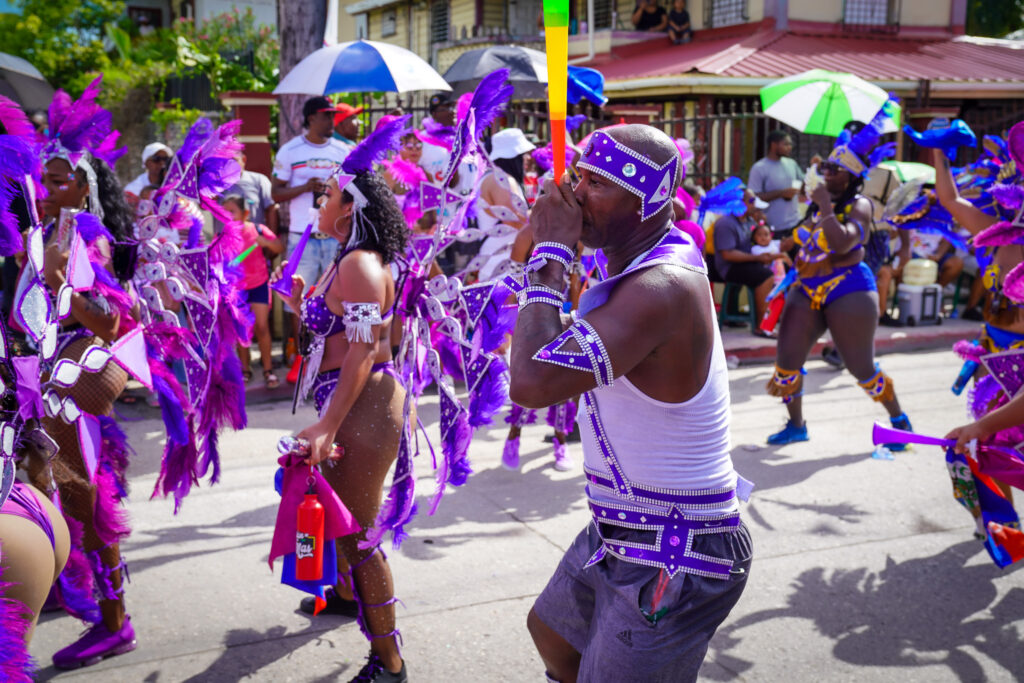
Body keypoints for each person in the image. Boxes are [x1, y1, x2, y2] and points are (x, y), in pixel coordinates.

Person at [508, 124, 751, 683]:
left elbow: (531, 382)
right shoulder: (637, 258)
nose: (573, 195)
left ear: (646, 202)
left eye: (596, 184)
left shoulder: (659, 286)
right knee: (554, 637)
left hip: (679, 547)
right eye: (576, 178)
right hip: (625, 525)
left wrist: (551, 252)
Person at [271, 143, 409, 683]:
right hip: (350, 399)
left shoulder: (358, 263)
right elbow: (336, 336)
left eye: (326, 195)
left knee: (358, 533)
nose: (318, 203)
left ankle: (390, 662)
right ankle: (350, 599)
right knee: (339, 522)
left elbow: (365, 350)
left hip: (362, 404)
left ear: (349, 206)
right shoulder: (344, 260)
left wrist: (328, 424)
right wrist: (300, 301)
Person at [31, 81, 142, 667]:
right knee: (52, 489)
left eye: (58, 180)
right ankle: (66, 586)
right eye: (43, 179)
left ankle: (115, 623)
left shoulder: (85, 237)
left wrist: (62, 290)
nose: (46, 189)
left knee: (86, 499)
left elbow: (111, 318)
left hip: (78, 384)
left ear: (83, 185)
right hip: (50, 381)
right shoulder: (53, 233)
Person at [766, 99, 912, 446]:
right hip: (807, 285)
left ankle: (900, 423)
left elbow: (846, 243)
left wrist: (828, 208)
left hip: (850, 290)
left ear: (851, 176)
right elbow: (806, 237)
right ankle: (796, 426)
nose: (827, 173)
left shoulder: (859, 205)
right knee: (787, 360)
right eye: (827, 167)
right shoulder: (818, 205)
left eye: (835, 170)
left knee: (861, 367)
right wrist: (788, 243)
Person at [271, 96, 351, 374]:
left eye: (333, 115)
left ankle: (332, 353)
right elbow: (275, 192)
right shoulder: (290, 151)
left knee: (335, 297)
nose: (332, 120)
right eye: (326, 115)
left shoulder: (343, 150)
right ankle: (302, 356)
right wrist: (305, 187)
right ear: (310, 119)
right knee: (297, 297)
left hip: (335, 237)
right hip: (301, 238)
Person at [222, 194, 283, 389]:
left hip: (258, 285)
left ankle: (268, 370)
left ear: (245, 213)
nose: (228, 215)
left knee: (262, 328)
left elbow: (279, 246)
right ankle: (245, 370)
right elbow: (216, 260)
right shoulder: (222, 235)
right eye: (225, 212)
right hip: (236, 289)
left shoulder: (258, 230)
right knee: (242, 331)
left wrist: (266, 242)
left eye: (232, 211)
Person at [713, 188, 783, 327]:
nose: (754, 204)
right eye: (751, 200)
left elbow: (758, 242)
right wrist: (757, 258)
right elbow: (727, 254)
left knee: (781, 268)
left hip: (745, 264)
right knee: (765, 275)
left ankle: (774, 317)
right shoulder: (726, 223)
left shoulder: (749, 221)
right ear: (739, 202)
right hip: (729, 268)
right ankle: (762, 325)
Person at [748, 130, 804, 234]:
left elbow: (804, 184)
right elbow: (753, 198)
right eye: (786, 144)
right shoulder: (759, 168)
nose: (789, 147)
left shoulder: (792, 164)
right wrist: (781, 193)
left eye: (790, 144)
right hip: (773, 228)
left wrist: (815, 168)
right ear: (773, 145)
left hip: (795, 223)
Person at [123, 142, 173, 208]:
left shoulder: (173, 184)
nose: (162, 163)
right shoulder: (133, 189)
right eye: (157, 159)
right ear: (146, 163)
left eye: (166, 159)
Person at [751, 221, 790, 286]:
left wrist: (786, 240)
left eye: (766, 234)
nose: (763, 237)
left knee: (784, 258)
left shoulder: (773, 243)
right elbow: (766, 257)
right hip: (766, 273)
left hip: (781, 270)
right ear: (754, 237)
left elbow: (785, 244)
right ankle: (779, 283)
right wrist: (781, 255)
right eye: (759, 235)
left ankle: (793, 273)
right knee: (778, 260)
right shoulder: (755, 248)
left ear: (771, 236)